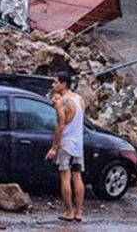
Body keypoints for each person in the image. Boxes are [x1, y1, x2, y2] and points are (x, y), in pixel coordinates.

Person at [47, 71, 86, 223]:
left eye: (56, 82)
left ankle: (69, 211)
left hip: (66, 144)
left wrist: (54, 147)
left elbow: (60, 126)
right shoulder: (80, 100)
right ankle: (79, 212)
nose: (53, 85)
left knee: (65, 176)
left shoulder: (61, 102)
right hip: (78, 144)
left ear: (63, 84)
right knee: (77, 176)